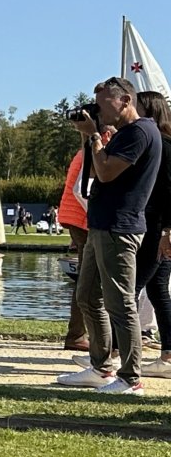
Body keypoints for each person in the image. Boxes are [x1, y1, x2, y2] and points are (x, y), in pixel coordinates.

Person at [57, 77, 164, 394]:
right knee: (87, 296)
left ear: (126, 101)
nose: (99, 112)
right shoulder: (121, 134)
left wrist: (95, 138)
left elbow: (106, 172)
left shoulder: (141, 132)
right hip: (100, 224)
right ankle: (102, 367)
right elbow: (92, 171)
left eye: (104, 105)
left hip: (120, 227)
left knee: (120, 304)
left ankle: (131, 378)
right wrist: (89, 138)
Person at [131, 91, 171, 377]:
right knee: (158, 291)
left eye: (139, 106)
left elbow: (168, 190)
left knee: (130, 289)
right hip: (157, 225)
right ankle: (167, 355)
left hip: (156, 227)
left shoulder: (163, 145)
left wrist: (167, 231)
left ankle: (118, 355)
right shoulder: (160, 143)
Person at [57, 148, 91, 350]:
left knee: (86, 280)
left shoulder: (84, 150)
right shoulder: (99, 146)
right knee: (89, 281)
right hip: (85, 220)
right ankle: (77, 335)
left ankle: (78, 334)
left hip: (76, 218)